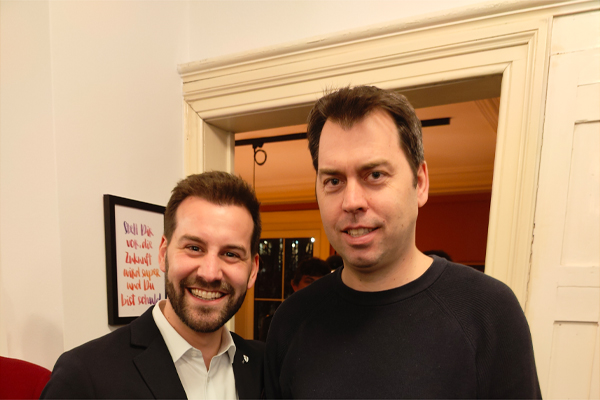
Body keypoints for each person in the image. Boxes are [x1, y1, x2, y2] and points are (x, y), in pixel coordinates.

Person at [264, 86, 541, 399]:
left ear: (419, 183)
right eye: (334, 181)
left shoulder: (488, 312)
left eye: (375, 175)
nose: (351, 201)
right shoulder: (291, 320)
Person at [42, 172, 265, 399]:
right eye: (194, 248)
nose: (209, 274)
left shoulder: (265, 367)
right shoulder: (83, 376)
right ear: (162, 254)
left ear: (253, 269)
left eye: (231, 254)